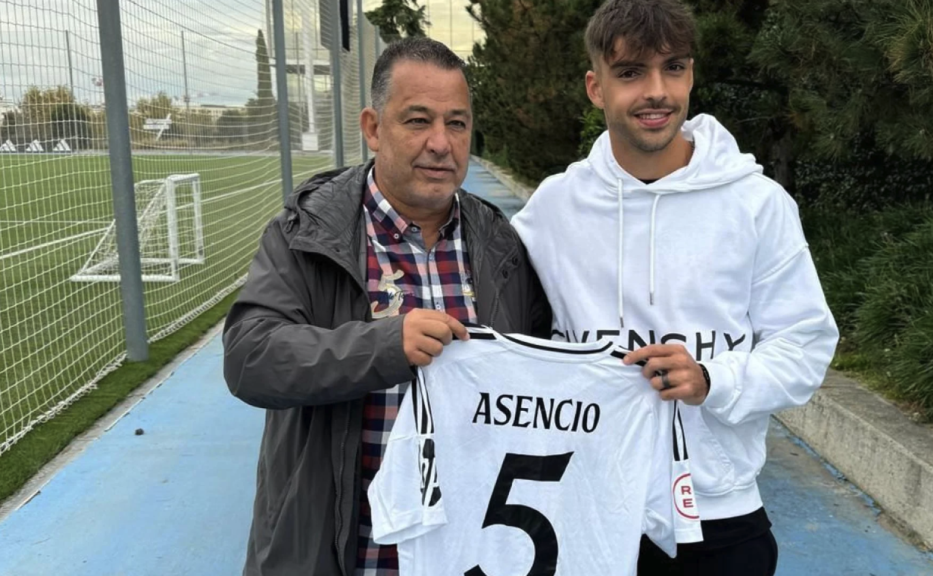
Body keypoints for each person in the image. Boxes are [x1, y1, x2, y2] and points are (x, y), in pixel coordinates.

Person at [510, 1, 840, 574]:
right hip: (585, 507)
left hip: (719, 514)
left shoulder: (757, 204)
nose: (657, 91)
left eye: (674, 68)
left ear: (691, 75)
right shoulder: (554, 207)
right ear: (596, 87)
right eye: (631, 72)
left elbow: (805, 345)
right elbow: (504, 328)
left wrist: (712, 378)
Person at [222, 37, 551, 576]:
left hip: (467, 552)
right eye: (418, 121)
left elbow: (542, 364)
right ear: (373, 127)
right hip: (344, 552)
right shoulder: (306, 233)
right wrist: (384, 344)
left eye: (458, 123)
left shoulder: (500, 244)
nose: (441, 144)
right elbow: (250, 358)